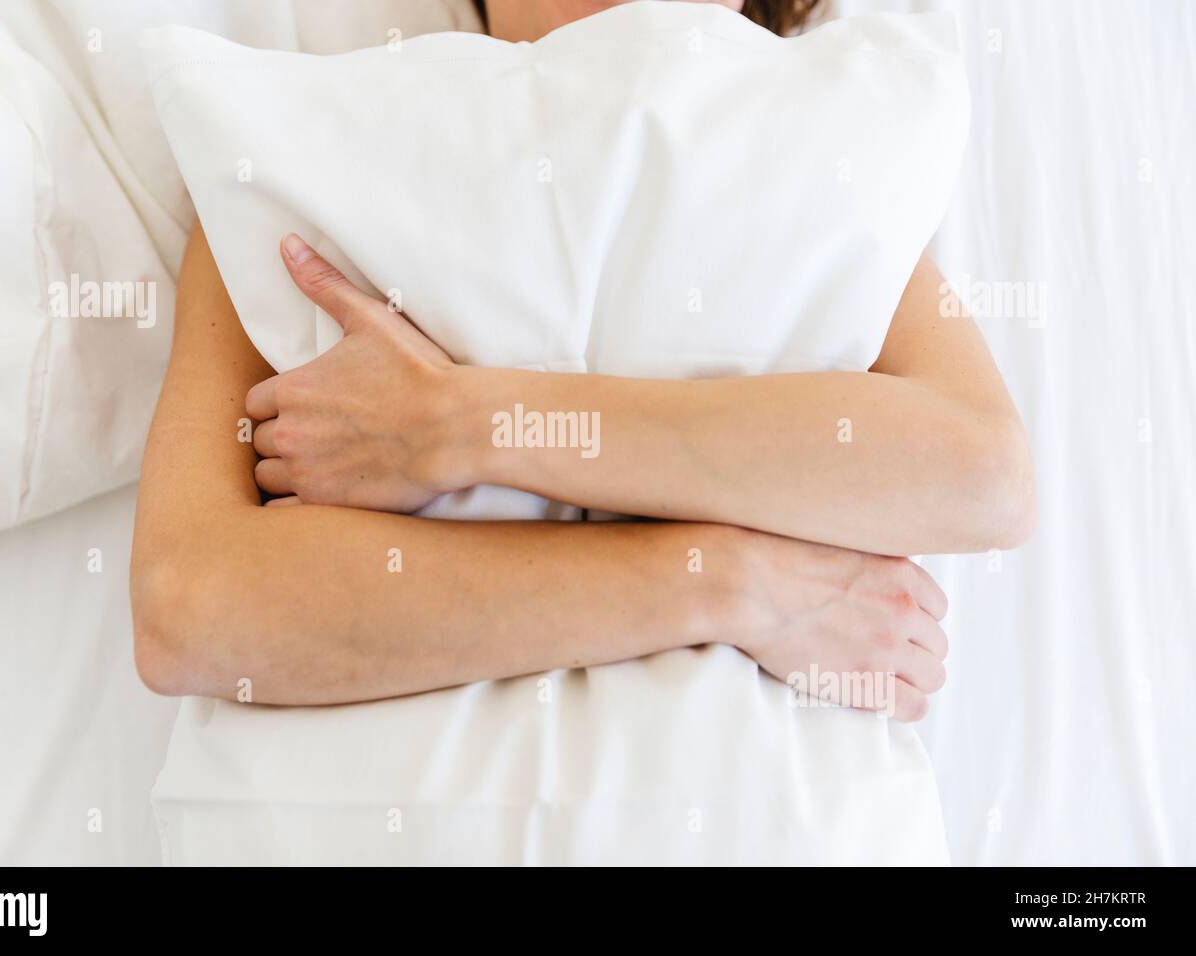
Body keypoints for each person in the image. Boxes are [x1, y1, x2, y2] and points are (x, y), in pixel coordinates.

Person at [130, 0, 1034, 721]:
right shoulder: (294, 164)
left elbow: (981, 474)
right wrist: (731, 586)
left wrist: (460, 424)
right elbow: (188, 611)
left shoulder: (823, 177)